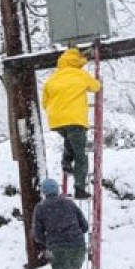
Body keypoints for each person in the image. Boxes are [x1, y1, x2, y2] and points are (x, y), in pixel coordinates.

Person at [41, 48, 102, 199]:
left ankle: (66, 161)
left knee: (69, 139)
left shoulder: (52, 78)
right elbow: (96, 87)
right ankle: (80, 188)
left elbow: (44, 102)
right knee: (81, 155)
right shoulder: (80, 74)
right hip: (75, 119)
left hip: (56, 121)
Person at [33, 178, 92, 269]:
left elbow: (37, 235)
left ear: (44, 192)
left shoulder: (41, 208)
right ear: (57, 190)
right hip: (78, 246)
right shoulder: (69, 203)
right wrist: (73, 234)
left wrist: (48, 242)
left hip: (58, 249)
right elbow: (85, 226)